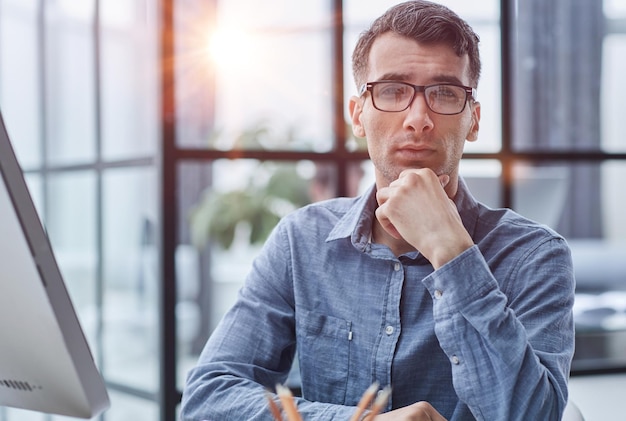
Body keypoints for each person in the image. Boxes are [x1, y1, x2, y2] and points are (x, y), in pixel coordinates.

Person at [180, 1, 575, 420]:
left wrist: (452, 252)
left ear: (473, 120)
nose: (418, 119)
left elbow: (534, 415)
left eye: (444, 93)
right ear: (358, 116)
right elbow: (208, 399)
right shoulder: (302, 240)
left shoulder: (535, 255)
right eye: (391, 91)